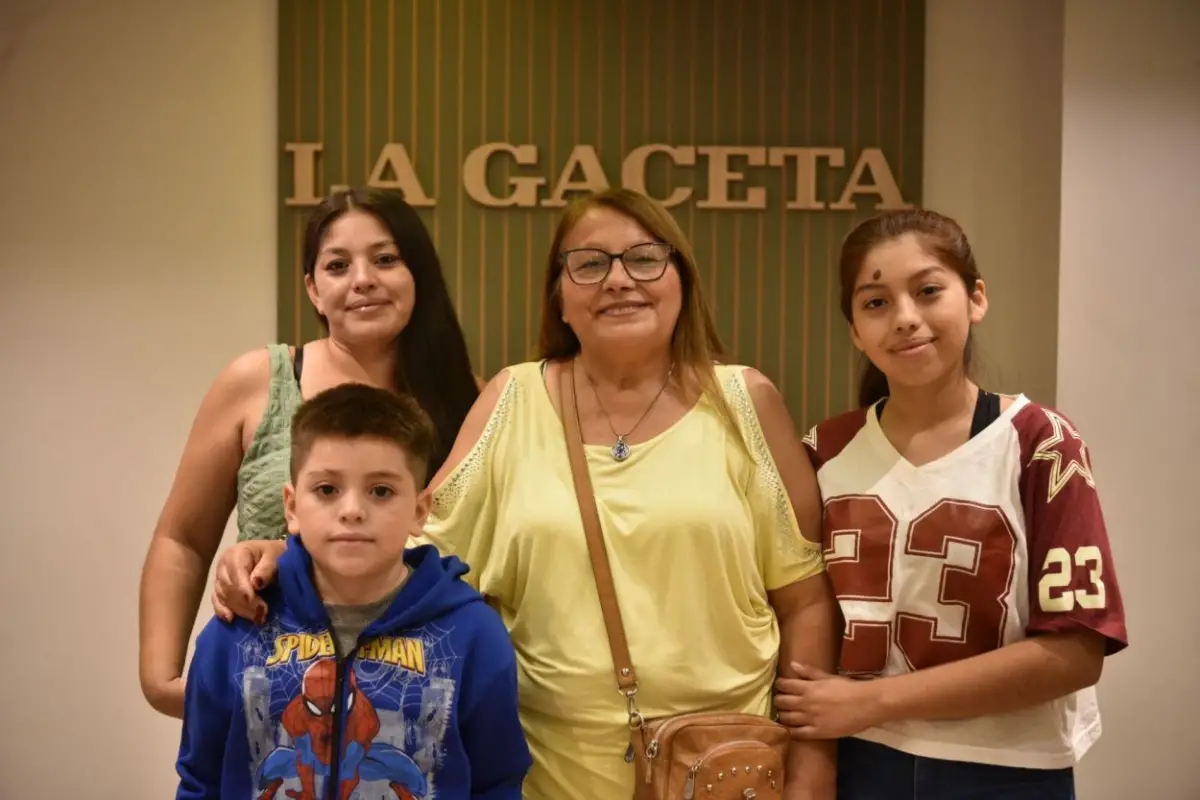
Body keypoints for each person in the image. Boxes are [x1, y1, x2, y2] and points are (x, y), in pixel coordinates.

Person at [209, 188, 841, 799]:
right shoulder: (513, 398)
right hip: (547, 775)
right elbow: (403, 547)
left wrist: (811, 770)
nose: (619, 280)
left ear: (682, 278)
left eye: (645, 257)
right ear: (559, 298)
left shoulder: (744, 402)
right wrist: (276, 554)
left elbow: (805, 599)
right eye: (589, 264)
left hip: (721, 772)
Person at [775, 209, 1129, 799]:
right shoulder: (821, 453)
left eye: (928, 290)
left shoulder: (1040, 442)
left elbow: (1076, 652)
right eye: (876, 303)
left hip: (1008, 772)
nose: (905, 319)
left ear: (976, 298)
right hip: (863, 767)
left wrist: (870, 700)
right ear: (854, 330)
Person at [139, 187, 480, 719]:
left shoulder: (474, 404)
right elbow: (182, 538)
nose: (362, 278)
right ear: (313, 290)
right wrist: (162, 682)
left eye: (385, 259)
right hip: (267, 699)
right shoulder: (257, 383)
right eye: (338, 265)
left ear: (420, 274)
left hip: (414, 711)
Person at [174, 383, 530, 799]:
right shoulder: (236, 631)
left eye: (381, 491)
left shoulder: (474, 636)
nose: (352, 511)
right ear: (291, 507)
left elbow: (497, 784)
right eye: (327, 489)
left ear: (419, 511)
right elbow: (200, 782)